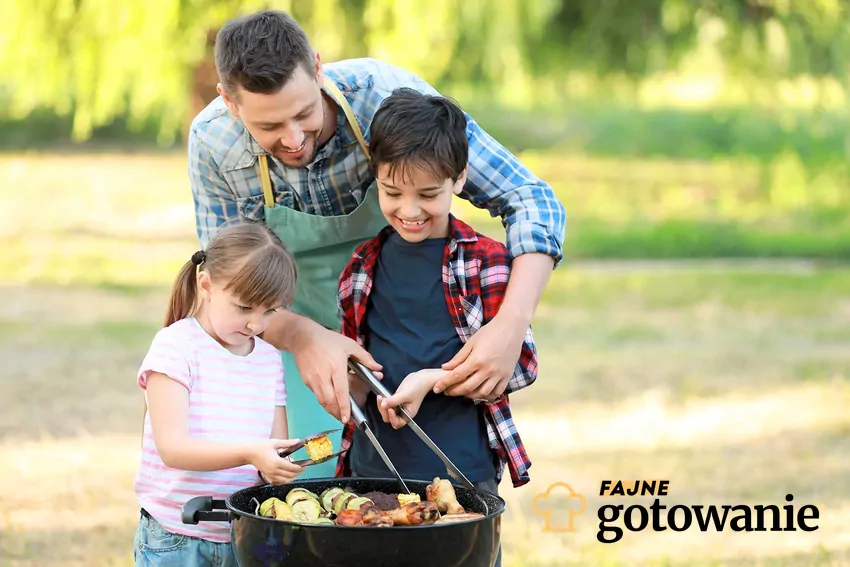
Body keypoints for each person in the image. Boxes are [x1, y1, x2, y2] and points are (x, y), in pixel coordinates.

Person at [189, 9, 565, 478]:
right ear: (229, 102)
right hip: (285, 339)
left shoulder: (386, 98)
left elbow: (532, 200)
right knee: (312, 506)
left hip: (402, 340)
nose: (294, 138)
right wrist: (304, 336)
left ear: (318, 68)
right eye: (269, 128)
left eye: (305, 112)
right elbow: (231, 287)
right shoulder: (213, 146)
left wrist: (509, 325)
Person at [336, 87, 537, 567]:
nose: (409, 210)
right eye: (391, 192)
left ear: (460, 177)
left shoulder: (485, 261)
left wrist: (431, 381)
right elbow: (353, 375)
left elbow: (521, 366)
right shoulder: (361, 267)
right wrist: (345, 381)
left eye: (428, 194)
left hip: (462, 479)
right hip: (372, 479)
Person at [133, 222, 305, 566]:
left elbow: (274, 447)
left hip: (245, 535)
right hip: (177, 536)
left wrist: (277, 466)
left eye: (269, 311)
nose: (255, 324)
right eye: (244, 307)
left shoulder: (269, 358)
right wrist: (251, 453)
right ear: (206, 284)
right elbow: (173, 449)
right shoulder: (176, 346)